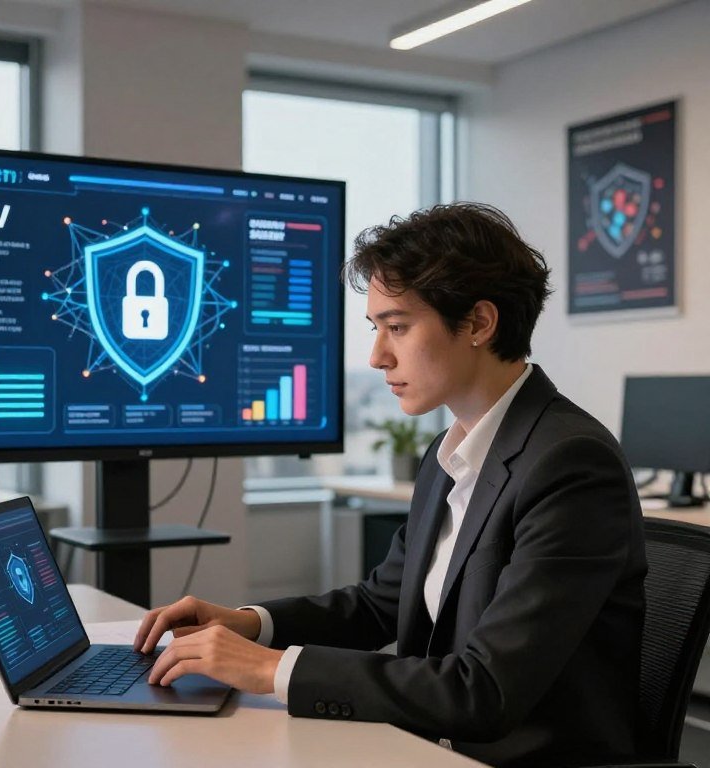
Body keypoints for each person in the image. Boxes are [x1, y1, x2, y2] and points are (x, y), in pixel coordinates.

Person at [133, 203, 647, 768]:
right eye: (376, 329)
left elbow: (484, 691)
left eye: (397, 327)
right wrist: (252, 625)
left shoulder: (570, 464)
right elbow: (380, 604)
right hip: (428, 744)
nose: (378, 356)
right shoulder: (449, 452)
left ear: (479, 323)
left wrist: (268, 668)